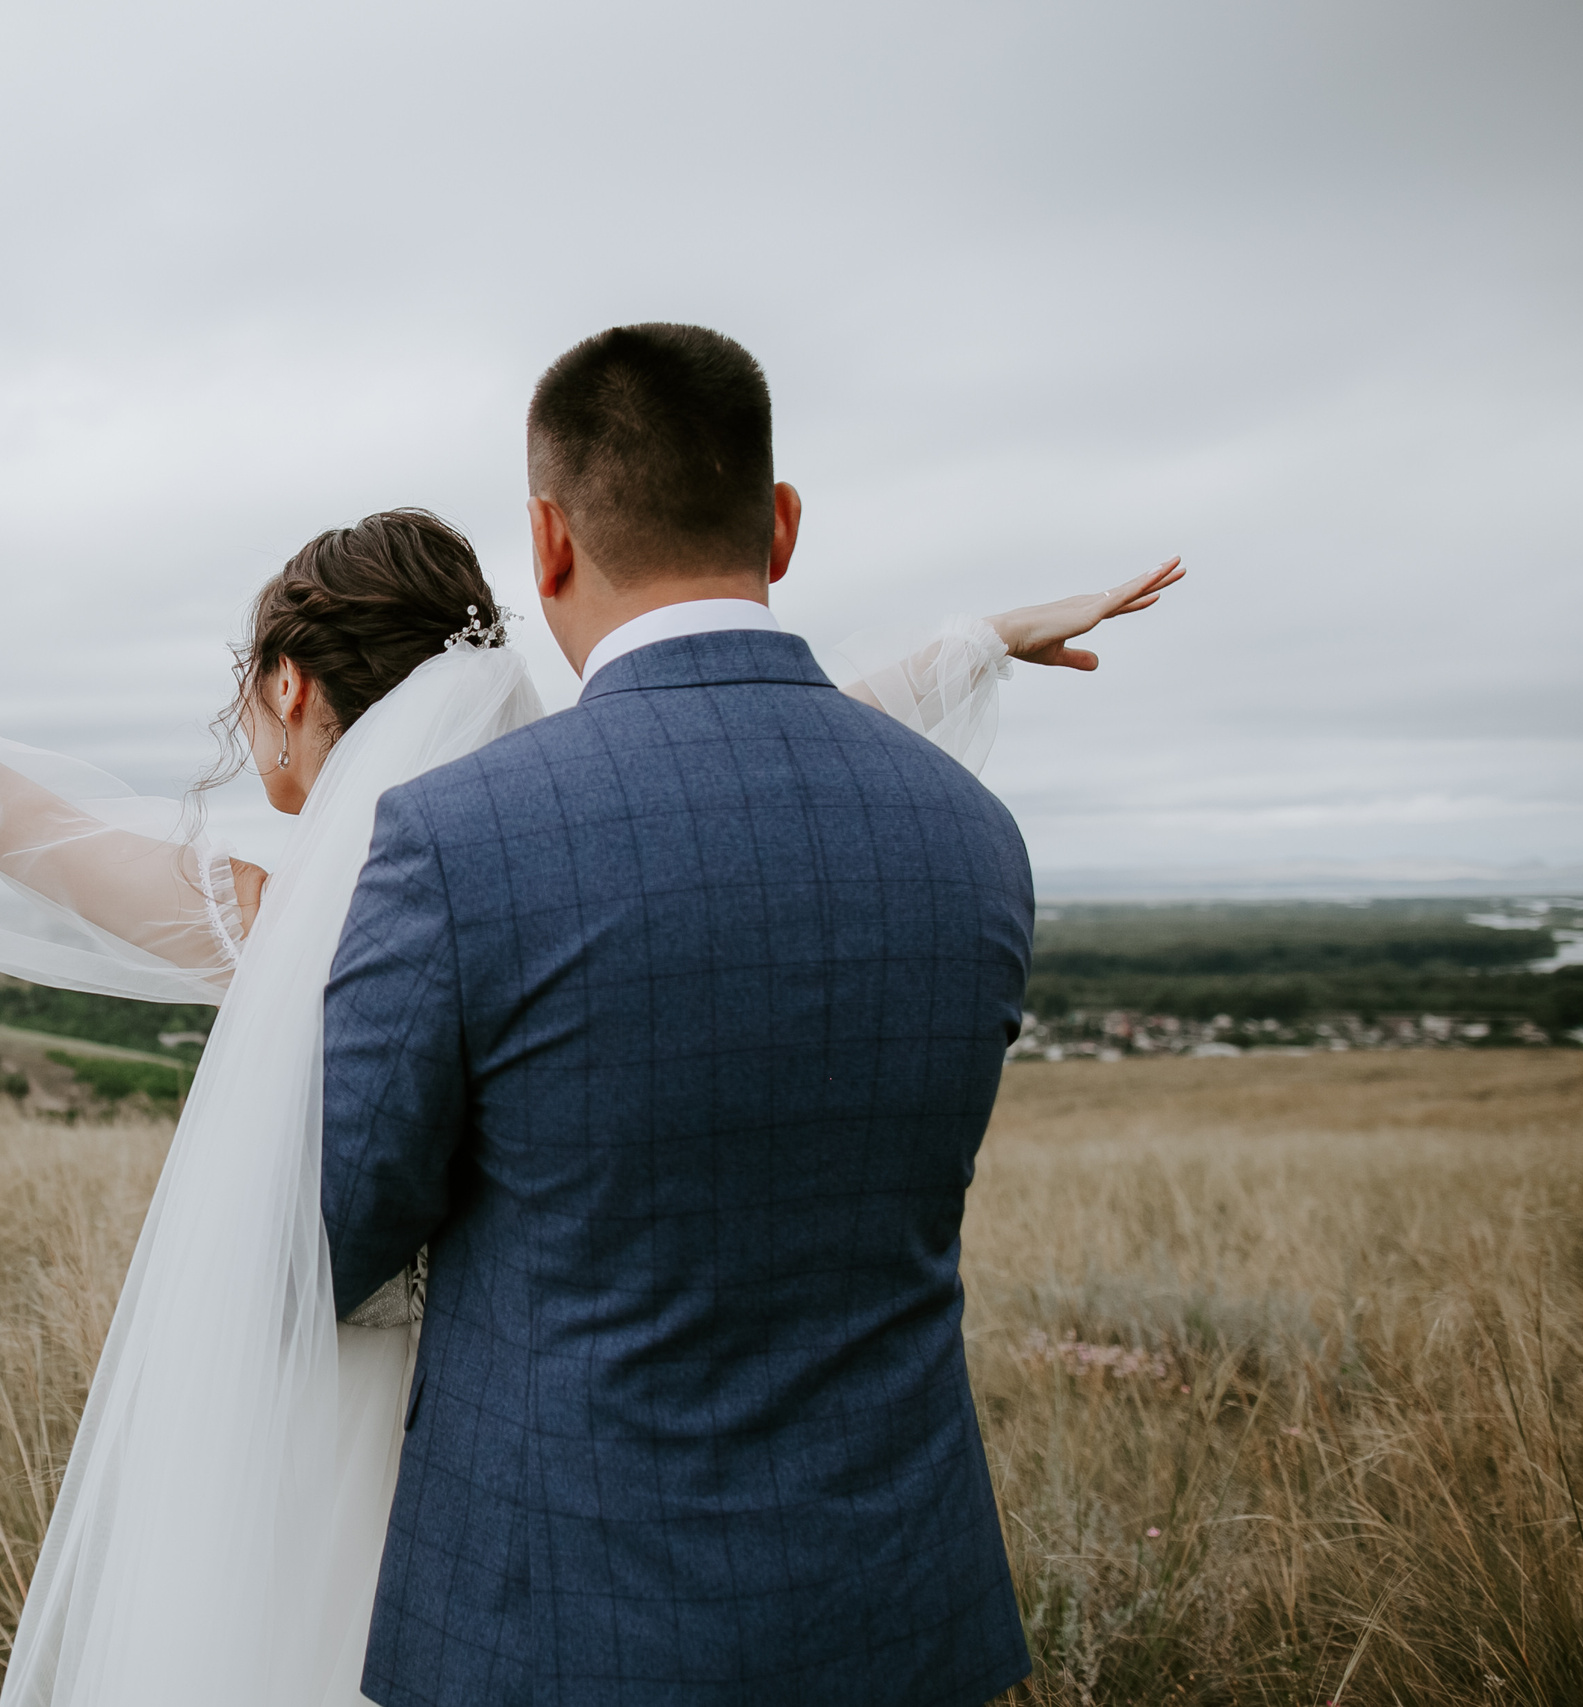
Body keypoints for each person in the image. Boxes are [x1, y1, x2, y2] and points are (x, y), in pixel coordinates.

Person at [0, 329, 1177, 1707]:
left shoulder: (361, 889)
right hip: (865, 1586)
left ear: (294, 688)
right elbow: (730, 786)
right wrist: (967, 649)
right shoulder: (708, 831)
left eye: (250, 703)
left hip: (500, 1554)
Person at [323, 323, 1080, 1706]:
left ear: (547, 540)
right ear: (781, 525)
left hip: (561, 1622)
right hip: (900, 1615)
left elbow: (346, 1215)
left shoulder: (456, 836)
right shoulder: (975, 834)